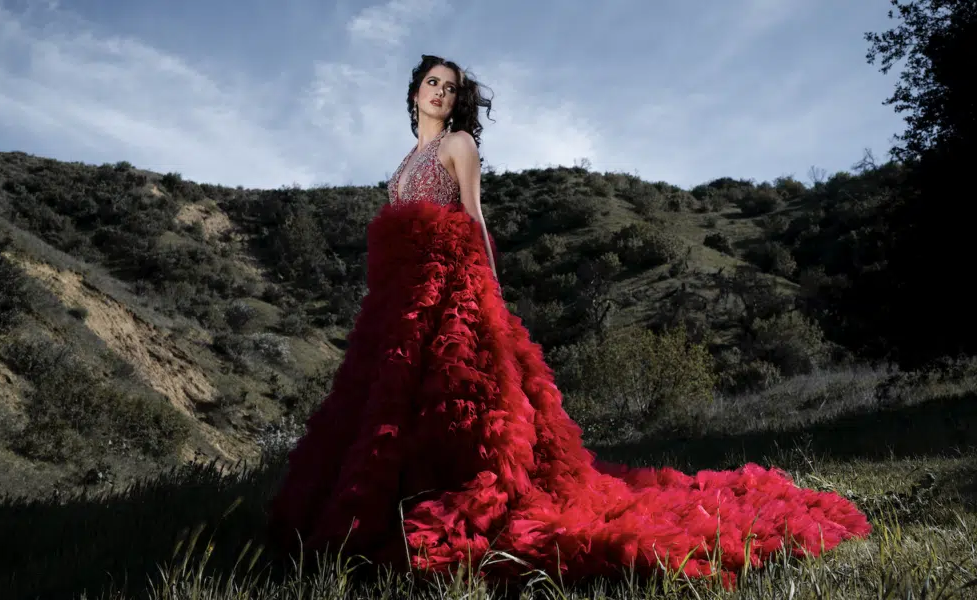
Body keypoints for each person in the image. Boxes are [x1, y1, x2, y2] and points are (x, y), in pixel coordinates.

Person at [266, 54, 870, 587]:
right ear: (414, 91)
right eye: (432, 83)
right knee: (392, 406)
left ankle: (450, 496)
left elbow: (474, 218)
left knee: (462, 402)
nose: (440, 93)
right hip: (402, 302)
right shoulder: (403, 164)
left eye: (450, 87)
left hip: (452, 290)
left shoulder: (458, 145)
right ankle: (388, 504)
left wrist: (489, 289)